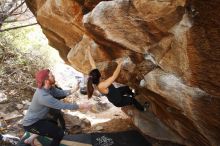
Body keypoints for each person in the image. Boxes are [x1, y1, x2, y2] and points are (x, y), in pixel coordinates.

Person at [22, 69, 91, 146]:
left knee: (53, 122)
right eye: (51, 75)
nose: (53, 76)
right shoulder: (43, 96)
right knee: (59, 133)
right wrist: (82, 106)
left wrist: (73, 89)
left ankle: (30, 139)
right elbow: (63, 105)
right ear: (46, 81)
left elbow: (60, 93)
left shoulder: (49, 88)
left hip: (39, 119)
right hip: (31, 124)